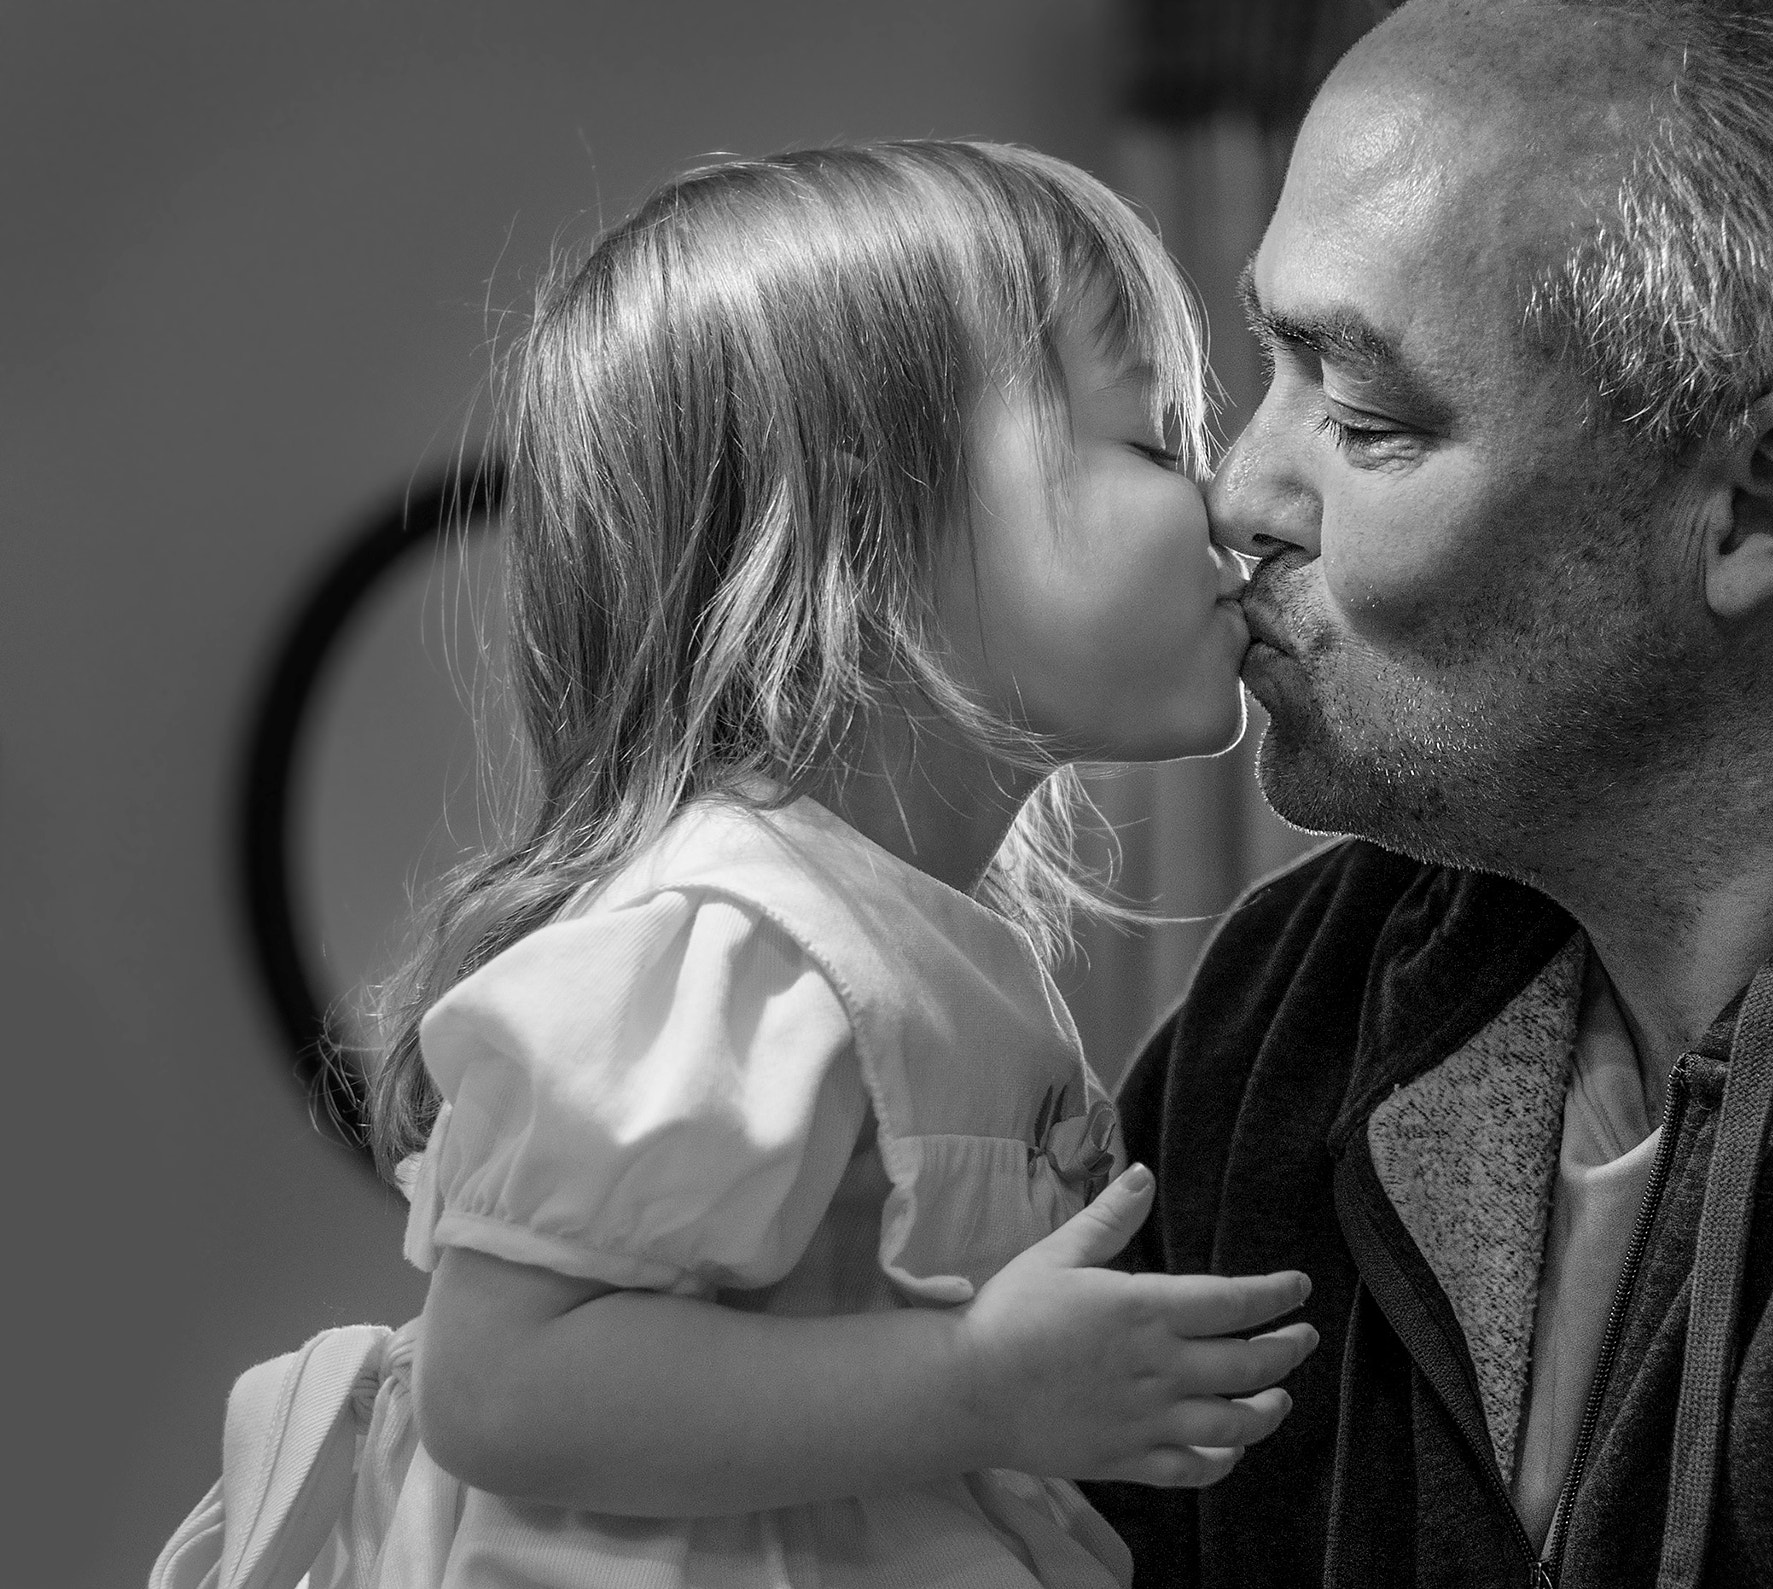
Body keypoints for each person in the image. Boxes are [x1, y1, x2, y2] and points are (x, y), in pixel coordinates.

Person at [152, 141, 1321, 1589]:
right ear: (870, 522)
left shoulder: (908, 944)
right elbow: (504, 1381)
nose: (1225, 509)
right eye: (1153, 441)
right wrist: (975, 1382)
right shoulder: (732, 931)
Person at [1083, 1, 1773, 1585]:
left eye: (1365, 417)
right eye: (1272, 359)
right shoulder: (1288, 1020)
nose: (1238, 496)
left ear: (1758, 499)